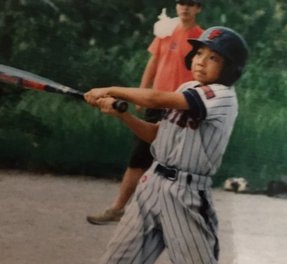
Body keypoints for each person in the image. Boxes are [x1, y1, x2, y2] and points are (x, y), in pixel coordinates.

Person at [54, 27, 270, 264]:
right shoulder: (190, 88)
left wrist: (112, 89)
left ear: (230, 68)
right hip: (151, 185)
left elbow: (154, 96)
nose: (202, 61)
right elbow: (157, 135)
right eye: (199, 54)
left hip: (187, 196)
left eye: (213, 57)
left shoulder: (221, 98)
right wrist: (121, 115)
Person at [86, 0, 204, 225]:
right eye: (181, 2)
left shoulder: (201, 38)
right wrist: (141, 92)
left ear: (198, 8)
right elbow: (154, 62)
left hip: (181, 105)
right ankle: (118, 208)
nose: (185, 7)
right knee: (139, 155)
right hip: (154, 102)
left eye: (191, 4)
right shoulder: (166, 30)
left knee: (177, 161)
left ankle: (174, 215)